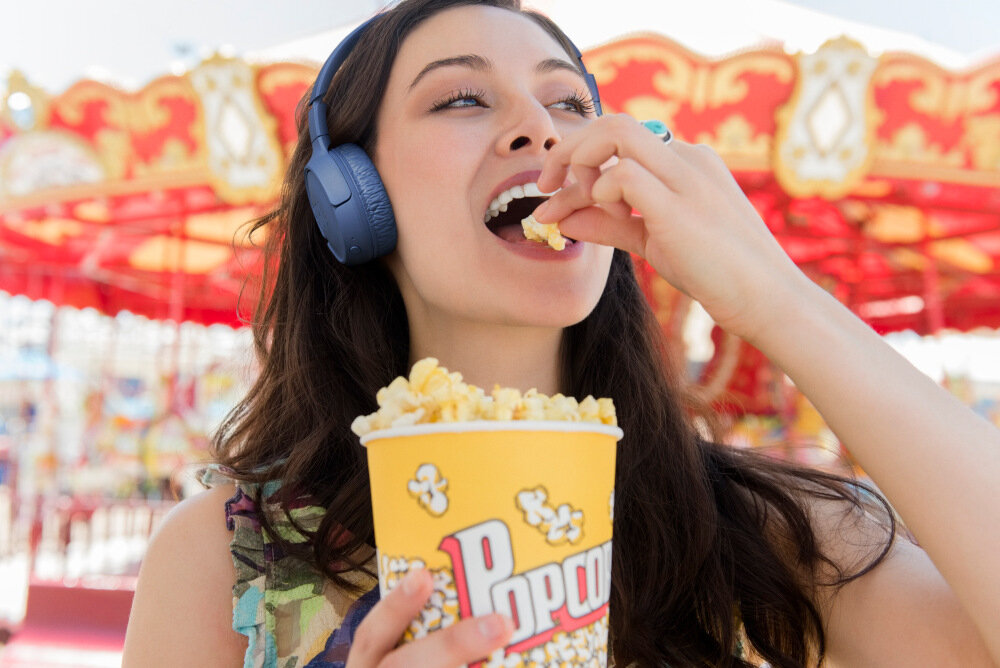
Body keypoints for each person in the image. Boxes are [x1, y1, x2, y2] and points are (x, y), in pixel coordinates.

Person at [122, 0, 1000, 666]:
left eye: (571, 103)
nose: (541, 127)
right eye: (463, 98)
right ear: (352, 197)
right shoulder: (223, 559)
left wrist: (777, 298)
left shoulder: (772, 534)